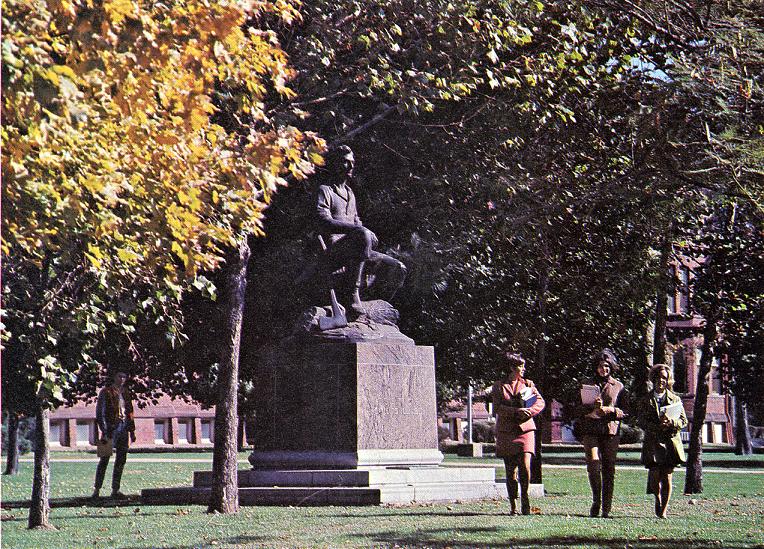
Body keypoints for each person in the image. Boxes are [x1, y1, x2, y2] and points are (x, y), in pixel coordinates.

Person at [315, 145, 406, 317]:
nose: (350, 166)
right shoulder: (325, 190)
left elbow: (357, 222)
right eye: (345, 162)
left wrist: (364, 231)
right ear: (335, 164)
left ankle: (376, 307)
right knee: (362, 234)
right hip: (334, 251)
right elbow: (323, 221)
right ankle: (352, 293)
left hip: (357, 249)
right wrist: (360, 230)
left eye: (352, 162)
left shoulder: (350, 194)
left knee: (398, 268)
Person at [575, 349, 628, 518]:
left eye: (606, 366)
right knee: (593, 464)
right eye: (600, 366)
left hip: (610, 431)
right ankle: (596, 500)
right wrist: (591, 407)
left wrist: (610, 410)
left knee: (608, 469)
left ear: (611, 367)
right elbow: (576, 407)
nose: (603, 369)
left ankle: (607, 506)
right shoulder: (586, 384)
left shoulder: (618, 386)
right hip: (590, 429)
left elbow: (626, 410)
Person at [491, 352, 545, 515]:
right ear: (511, 368)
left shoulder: (528, 384)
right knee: (510, 470)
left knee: (526, 466)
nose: (523, 369)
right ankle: (513, 504)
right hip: (507, 431)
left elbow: (540, 402)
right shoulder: (499, 386)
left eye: (523, 366)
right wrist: (515, 411)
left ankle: (526, 498)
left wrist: (529, 411)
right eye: (520, 366)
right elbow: (497, 408)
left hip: (526, 430)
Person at [638, 364, 688, 518]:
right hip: (653, 442)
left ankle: (664, 510)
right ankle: (657, 499)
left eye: (664, 378)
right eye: (658, 377)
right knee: (654, 475)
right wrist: (655, 425)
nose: (661, 381)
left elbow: (683, 421)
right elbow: (641, 420)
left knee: (667, 476)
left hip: (669, 442)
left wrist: (672, 423)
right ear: (653, 379)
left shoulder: (675, 399)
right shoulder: (646, 399)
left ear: (668, 380)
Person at [91, 370, 136, 500]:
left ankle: (115, 490)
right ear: (114, 377)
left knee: (121, 460)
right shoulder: (106, 392)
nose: (122, 379)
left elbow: (130, 413)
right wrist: (104, 430)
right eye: (119, 376)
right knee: (104, 459)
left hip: (123, 429)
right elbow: (100, 413)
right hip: (110, 429)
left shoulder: (126, 393)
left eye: (124, 376)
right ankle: (97, 490)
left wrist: (132, 431)